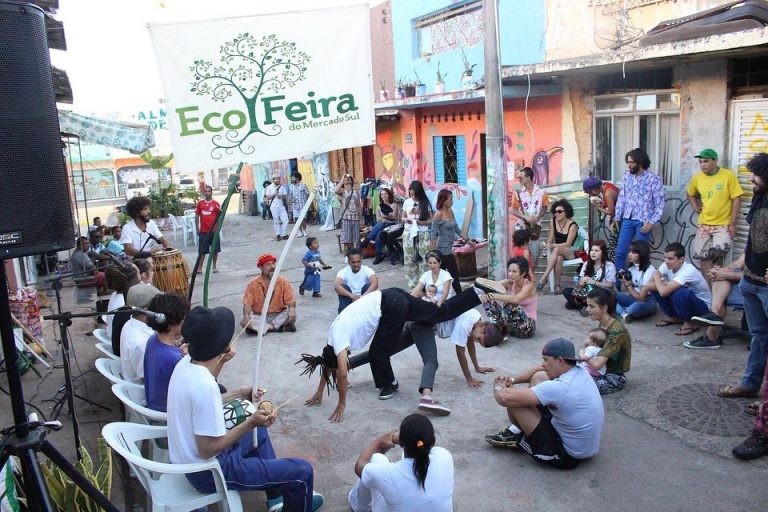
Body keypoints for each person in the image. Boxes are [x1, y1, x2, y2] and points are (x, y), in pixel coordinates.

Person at [167, 306, 324, 511]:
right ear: (219, 346)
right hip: (209, 471)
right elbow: (207, 450)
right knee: (302, 472)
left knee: (260, 430)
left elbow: (203, 403)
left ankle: (276, 499)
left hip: (190, 461)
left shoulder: (187, 363)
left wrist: (239, 392)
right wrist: (250, 422)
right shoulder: (203, 386)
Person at [301, 286, 483, 422]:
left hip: (391, 309)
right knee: (437, 313)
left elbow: (340, 372)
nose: (347, 353)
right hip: (392, 295)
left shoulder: (339, 341)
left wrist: (341, 403)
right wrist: (319, 392)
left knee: (377, 354)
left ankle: (390, 384)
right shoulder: (332, 339)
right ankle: (476, 292)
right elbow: (327, 362)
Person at [485, 338, 604, 469]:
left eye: (546, 360)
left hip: (566, 455)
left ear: (559, 360)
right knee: (539, 376)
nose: (543, 364)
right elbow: (538, 370)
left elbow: (504, 398)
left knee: (515, 402)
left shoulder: (560, 387)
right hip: (583, 446)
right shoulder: (580, 369)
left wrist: (498, 386)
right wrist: (513, 380)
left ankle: (519, 435)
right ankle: (519, 429)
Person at [719, 153, 768, 400]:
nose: (752, 180)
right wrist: (739, 269)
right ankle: (750, 385)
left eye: (756, 175)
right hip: (751, 280)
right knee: (759, 336)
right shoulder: (759, 197)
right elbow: (753, 240)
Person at [348, 414, 453, 512]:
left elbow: (360, 466)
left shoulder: (388, 474)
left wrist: (379, 441)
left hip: (393, 479)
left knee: (377, 458)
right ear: (433, 440)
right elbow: (420, 447)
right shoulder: (445, 456)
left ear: (401, 443)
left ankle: (360, 507)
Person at [687, 148, 744, 281]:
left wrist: (733, 224)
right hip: (704, 224)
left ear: (715, 161)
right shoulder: (697, 177)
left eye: (706, 161)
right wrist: (695, 205)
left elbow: (737, 199)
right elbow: (690, 193)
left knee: (719, 252)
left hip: (723, 224)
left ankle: (719, 283)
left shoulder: (728, 175)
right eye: (700, 162)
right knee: (703, 258)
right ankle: (710, 290)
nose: (702, 165)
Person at [612, 148, 665, 272]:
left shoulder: (653, 179)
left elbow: (660, 203)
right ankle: (617, 283)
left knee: (641, 254)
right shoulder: (627, 176)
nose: (629, 165)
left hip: (643, 222)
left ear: (640, 162)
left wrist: (652, 222)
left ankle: (641, 282)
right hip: (627, 219)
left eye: (632, 162)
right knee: (620, 251)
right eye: (628, 162)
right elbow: (622, 197)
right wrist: (617, 216)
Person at [649, 242, 711, 336]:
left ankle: (689, 323)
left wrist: (656, 275)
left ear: (681, 259)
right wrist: (662, 283)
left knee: (680, 292)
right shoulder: (667, 264)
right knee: (658, 288)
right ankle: (674, 317)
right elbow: (649, 284)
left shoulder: (688, 270)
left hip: (702, 308)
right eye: (665, 257)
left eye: (670, 258)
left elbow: (663, 292)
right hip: (684, 303)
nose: (666, 261)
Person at [142, 293, 191, 412]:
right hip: (168, 411)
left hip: (154, 402)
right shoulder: (173, 359)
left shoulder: (152, 340)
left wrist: (178, 351)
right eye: (184, 318)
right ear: (173, 321)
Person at [686, 254, 745, 349]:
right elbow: (738, 264)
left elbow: (759, 277)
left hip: (761, 288)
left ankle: (711, 335)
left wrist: (726, 274)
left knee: (723, 278)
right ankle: (715, 315)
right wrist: (721, 270)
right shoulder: (755, 240)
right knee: (720, 277)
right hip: (750, 283)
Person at [582, 287, 631, 393]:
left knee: (576, 385)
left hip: (613, 378)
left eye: (591, 306)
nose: (587, 309)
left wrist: (583, 356)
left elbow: (596, 365)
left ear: (604, 308)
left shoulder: (616, 332)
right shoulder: (605, 322)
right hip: (601, 372)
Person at [448, 308, 505, 388]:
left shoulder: (477, 320)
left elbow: (470, 343)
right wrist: (469, 379)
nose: (475, 340)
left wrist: (477, 367)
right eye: (478, 339)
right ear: (482, 327)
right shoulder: (463, 325)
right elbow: (460, 354)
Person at [241, 253, 296, 334]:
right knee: (243, 319)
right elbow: (247, 305)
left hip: (278, 315)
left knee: (291, 314)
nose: (273, 267)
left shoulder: (283, 282)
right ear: (261, 267)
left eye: (273, 263)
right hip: (259, 316)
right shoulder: (252, 284)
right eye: (268, 265)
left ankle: (263, 328)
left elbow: (291, 303)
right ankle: (274, 327)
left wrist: (292, 311)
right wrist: (247, 319)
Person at [483, 256, 537, 339]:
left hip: (526, 327)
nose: (511, 274)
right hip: (512, 326)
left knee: (510, 303)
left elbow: (516, 299)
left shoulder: (529, 285)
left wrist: (495, 296)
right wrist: (477, 286)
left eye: (514, 271)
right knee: (487, 300)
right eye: (509, 271)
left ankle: (500, 330)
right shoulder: (510, 282)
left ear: (523, 273)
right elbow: (491, 286)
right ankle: (501, 330)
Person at [120, 282, 162, 384]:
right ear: (147, 311)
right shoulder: (140, 343)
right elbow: (150, 381)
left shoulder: (130, 323)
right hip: (145, 395)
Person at [509, 166, 549, 268]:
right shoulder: (517, 193)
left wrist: (538, 217)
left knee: (534, 255)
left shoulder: (541, 191)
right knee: (519, 255)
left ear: (528, 178)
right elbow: (513, 210)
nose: (519, 179)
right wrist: (524, 216)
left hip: (535, 227)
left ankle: (531, 278)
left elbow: (545, 207)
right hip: (521, 228)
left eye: (521, 177)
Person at [536, 199, 579, 294]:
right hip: (558, 252)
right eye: (555, 212)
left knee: (557, 249)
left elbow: (568, 244)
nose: (557, 214)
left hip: (571, 251)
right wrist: (547, 244)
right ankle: (557, 285)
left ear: (566, 212)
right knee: (558, 258)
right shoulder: (553, 221)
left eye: (560, 211)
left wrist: (551, 245)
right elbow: (550, 237)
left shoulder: (573, 225)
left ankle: (544, 277)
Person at [431, 189, 469, 295]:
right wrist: (432, 253)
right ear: (443, 200)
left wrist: (468, 240)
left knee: (441, 275)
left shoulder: (450, 211)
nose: (452, 202)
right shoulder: (438, 214)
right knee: (454, 274)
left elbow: (456, 228)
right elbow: (433, 234)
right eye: (450, 200)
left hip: (449, 247)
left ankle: (436, 295)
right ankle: (460, 296)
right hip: (443, 249)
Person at [563, 240, 616, 312]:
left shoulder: (609, 265)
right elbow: (580, 284)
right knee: (566, 291)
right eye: (592, 250)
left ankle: (580, 305)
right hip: (587, 292)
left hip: (602, 293)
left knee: (600, 296)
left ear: (603, 252)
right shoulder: (586, 264)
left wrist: (593, 282)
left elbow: (610, 285)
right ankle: (584, 306)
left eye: (596, 251)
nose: (593, 253)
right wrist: (581, 283)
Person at [615, 240, 657, 322]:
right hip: (633, 298)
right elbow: (632, 290)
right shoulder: (632, 268)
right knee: (610, 296)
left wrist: (628, 285)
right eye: (629, 251)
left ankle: (621, 311)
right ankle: (625, 314)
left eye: (634, 253)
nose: (630, 254)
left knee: (634, 307)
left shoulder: (649, 271)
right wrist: (626, 281)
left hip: (647, 301)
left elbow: (641, 298)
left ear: (642, 254)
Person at [402, 180, 434, 289]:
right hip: (409, 234)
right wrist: (406, 220)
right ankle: (413, 287)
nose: (413, 197)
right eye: (411, 194)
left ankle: (424, 286)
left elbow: (431, 220)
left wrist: (419, 222)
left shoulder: (425, 203)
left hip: (422, 234)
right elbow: (402, 217)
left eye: (415, 195)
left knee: (424, 260)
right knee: (409, 259)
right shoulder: (407, 202)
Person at [363, 187, 401, 264]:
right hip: (382, 225)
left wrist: (385, 217)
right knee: (379, 233)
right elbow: (378, 219)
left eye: (385, 194)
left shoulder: (394, 204)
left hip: (391, 225)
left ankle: (368, 239)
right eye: (382, 194)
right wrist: (382, 219)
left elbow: (395, 218)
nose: (384, 196)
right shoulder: (379, 206)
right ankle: (378, 256)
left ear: (389, 195)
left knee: (381, 224)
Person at [335, 248, 378, 313]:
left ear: (361, 260)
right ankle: (344, 314)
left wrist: (362, 298)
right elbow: (336, 286)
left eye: (358, 261)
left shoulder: (367, 270)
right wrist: (351, 296)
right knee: (342, 287)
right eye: (353, 262)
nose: (356, 265)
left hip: (364, 299)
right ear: (349, 261)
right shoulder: (343, 271)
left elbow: (375, 284)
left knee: (369, 286)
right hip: (349, 299)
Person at [195, 185, 222, 274]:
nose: (207, 193)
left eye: (208, 191)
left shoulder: (216, 204)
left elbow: (219, 217)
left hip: (213, 231)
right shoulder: (200, 203)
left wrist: (218, 229)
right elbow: (197, 215)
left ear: (211, 192)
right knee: (202, 251)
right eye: (205, 191)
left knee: (215, 250)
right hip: (203, 231)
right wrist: (197, 228)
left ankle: (214, 266)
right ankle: (199, 268)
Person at [336, 173, 361, 251]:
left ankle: (356, 252)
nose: (346, 180)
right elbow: (336, 190)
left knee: (356, 238)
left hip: (355, 218)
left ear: (351, 181)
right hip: (346, 218)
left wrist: (361, 218)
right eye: (345, 179)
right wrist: (342, 179)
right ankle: (349, 253)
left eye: (348, 179)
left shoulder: (356, 191)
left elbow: (359, 205)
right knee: (347, 239)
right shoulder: (342, 192)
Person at [265, 173, 289, 241]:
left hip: (281, 206)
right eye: (276, 179)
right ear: (273, 180)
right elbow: (267, 198)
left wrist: (279, 196)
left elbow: (285, 196)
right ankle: (278, 234)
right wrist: (274, 194)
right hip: (273, 207)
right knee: (276, 221)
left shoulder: (282, 187)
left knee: (286, 220)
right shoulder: (269, 188)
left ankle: (284, 234)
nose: (278, 180)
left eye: (279, 179)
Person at [290, 171, 310, 237]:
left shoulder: (303, 185)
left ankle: (304, 231)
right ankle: (299, 231)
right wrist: (291, 202)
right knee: (297, 218)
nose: (292, 179)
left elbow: (307, 194)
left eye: (293, 178)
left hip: (303, 205)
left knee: (303, 218)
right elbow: (290, 195)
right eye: (291, 178)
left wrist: (307, 203)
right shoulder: (291, 186)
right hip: (295, 206)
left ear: (297, 178)